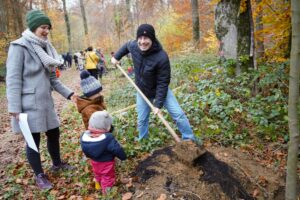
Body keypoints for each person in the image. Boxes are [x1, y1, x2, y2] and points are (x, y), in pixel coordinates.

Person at [6, 9, 78, 190]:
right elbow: (13, 79)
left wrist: (70, 94)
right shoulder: (19, 46)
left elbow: (53, 79)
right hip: (28, 104)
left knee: (54, 134)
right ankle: (39, 175)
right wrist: (14, 108)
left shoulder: (47, 48)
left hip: (46, 103)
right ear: (33, 27)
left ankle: (57, 163)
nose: (46, 31)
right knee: (33, 140)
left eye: (48, 28)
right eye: (43, 27)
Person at [111, 24, 202, 144]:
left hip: (160, 91)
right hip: (142, 91)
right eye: (140, 38)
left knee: (178, 115)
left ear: (152, 39)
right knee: (142, 120)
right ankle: (144, 142)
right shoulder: (134, 46)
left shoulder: (161, 57)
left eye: (146, 38)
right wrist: (116, 57)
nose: (143, 42)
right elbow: (126, 46)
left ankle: (190, 140)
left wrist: (158, 104)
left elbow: (163, 82)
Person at [80, 110, 127, 194]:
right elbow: (117, 149)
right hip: (106, 163)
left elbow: (85, 150)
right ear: (107, 127)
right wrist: (123, 157)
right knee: (107, 177)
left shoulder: (85, 137)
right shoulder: (108, 138)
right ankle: (107, 193)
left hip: (94, 161)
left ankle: (97, 185)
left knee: (97, 174)